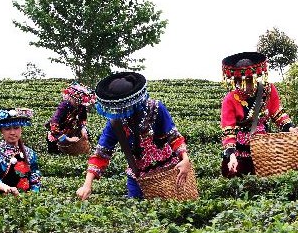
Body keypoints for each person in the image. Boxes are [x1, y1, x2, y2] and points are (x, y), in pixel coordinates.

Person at [76, 72, 191, 200]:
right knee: (138, 213)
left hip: (169, 171)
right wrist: (87, 185)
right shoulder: (115, 122)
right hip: (138, 178)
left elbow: (173, 135)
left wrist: (185, 159)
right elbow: (101, 152)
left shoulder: (156, 108)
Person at [220, 52, 298, 177]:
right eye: (240, 82)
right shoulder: (230, 99)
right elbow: (228, 129)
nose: (245, 86)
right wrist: (231, 155)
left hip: (263, 148)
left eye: (249, 81)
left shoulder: (268, 91)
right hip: (240, 151)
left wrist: (292, 128)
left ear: (255, 78)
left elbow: (278, 114)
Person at [0, 108, 42, 195]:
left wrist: (33, 193)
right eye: (7, 129)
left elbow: (35, 174)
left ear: (21, 129)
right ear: (1, 131)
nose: (12, 132)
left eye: (16, 128)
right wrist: (6, 188)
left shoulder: (30, 153)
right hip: (5, 197)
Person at [46, 82, 95, 154]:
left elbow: (82, 119)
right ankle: (56, 151)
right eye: (76, 100)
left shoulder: (81, 106)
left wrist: (83, 129)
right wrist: (68, 139)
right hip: (58, 131)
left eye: (80, 101)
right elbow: (54, 126)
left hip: (69, 128)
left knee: (85, 133)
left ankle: (89, 148)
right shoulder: (63, 106)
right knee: (55, 142)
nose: (78, 103)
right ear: (71, 97)